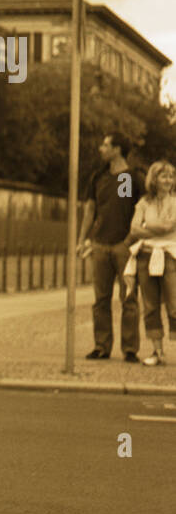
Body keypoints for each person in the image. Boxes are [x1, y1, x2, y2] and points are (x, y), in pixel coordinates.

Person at [77, 131, 142, 361]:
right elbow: (90, 210)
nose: (101, 149)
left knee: (129, 299)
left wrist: (133, 240)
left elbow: (132, 208)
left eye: (105, 145)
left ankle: (130, 348)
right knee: (100, 299)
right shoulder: (98, 177)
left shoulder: (129, 178)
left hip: (124, 245)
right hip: (100, 244)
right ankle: (101, 346)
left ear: (117, 149)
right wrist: (82, 239)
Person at [124, 160, 176, 367]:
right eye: (164, 176)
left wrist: (148, 227)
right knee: (150, 306)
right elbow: (134, 229)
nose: (169, 180)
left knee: (174, 304)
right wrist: (156, 228)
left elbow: (168, 226)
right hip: (145, 255)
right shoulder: (143, 203)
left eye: (171, 176)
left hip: (170, 256)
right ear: (154, 179)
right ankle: (157, 351)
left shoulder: (175, 202)